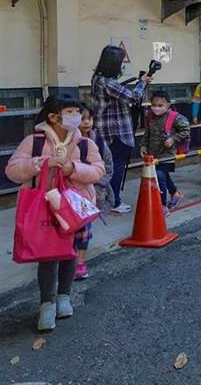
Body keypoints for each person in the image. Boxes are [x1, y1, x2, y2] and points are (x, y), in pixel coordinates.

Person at [6, 96, 105, 331]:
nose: (77, 117)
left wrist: (73, 168)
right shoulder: (35, 141)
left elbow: (99, 170)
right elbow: (12, 170)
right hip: (44, 208)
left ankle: (64, 296)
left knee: (70, 253)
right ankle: (47, 303)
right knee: (48, 256)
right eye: (71, 112)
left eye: (77, 113)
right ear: (53, 117)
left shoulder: (84, 144)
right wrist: (40, 163)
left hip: (75, 209)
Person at [91, 45, 152, 214]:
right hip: (115, 131)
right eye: (120, 62)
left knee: (108, 166)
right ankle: (115, 201)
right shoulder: (108, 83)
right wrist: (142, 83)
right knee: (116, 167)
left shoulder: (97, 78)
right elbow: (134, 96)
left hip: (103, 129)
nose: (122, 66)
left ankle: (106, 199)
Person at [77, 103, 114, 280]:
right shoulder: (67, 142)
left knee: (85, 228)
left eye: (89, 118)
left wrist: (96, 182)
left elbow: (108, 166)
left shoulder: (98, 141)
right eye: (81, 118)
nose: (86, 122)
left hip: (91, 192)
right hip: (71, 192)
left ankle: (79, 262)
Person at [141, 91, 191, 216]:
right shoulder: (149, 116)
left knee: (160, 177)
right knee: (163, 176)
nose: (156, 108)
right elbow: (147, 133)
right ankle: (175, 194)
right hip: (153, 153)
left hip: (167, 154)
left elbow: (186, 129)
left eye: (160, 105)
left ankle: (162, 205)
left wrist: (173, 138)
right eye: (154, 105)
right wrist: (143, 145)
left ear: (168, 105)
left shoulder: (175, 117)